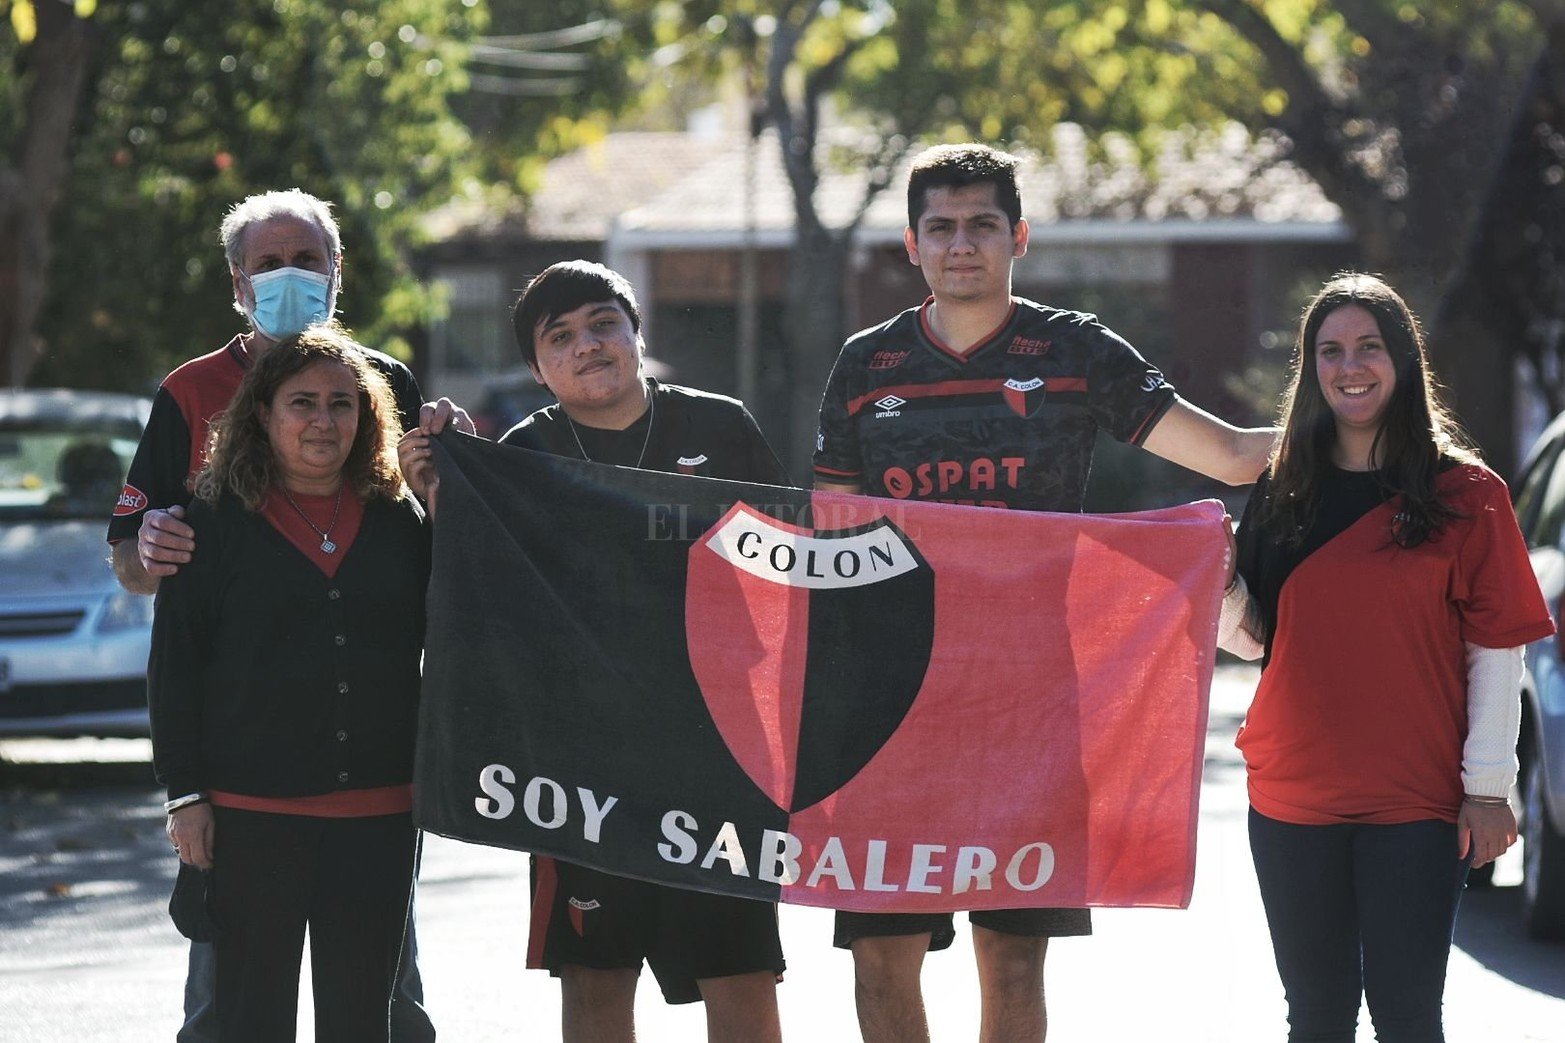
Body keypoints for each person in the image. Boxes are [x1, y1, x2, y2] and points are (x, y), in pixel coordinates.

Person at [811, 143, 1277, 1042]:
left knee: (1014, 961)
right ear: (912, 244)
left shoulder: (1074, 350)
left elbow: (1223, 456)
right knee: (881, 960)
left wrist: (1368, 414)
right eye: (940, 227)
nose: (961, 244)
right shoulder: (865, 367)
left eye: (981, 223)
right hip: (892, 707)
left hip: (1029, 702)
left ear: (1017, 234)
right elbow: (836, 540)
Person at [400, 260, 788, 1043]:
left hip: (721, 755)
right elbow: (484, 604)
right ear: (540, 369)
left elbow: (790, 573)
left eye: (603, 322)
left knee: (740, 977)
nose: (588, 345)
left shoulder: (722, 426)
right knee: (596, 980)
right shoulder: (520, 452)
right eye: (561, 336)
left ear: (637, 332)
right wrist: (442, 503)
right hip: (580, 765)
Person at [105, 189, 437, 1042]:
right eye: (268, 263)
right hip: (244, 772)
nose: (290, 275)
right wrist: (157, 548)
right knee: (232, 1005)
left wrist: (447, 492)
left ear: (336, 271)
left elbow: (417, 550)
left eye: (308, 259)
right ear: (237, 281)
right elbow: (139, 571)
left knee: (382, 1005)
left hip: (373, 784)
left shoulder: (383, 378)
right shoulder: (188, 392)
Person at [1216, 273, 1553, 1041]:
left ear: (1402, 359)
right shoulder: (1282, 486)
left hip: (1417, 801)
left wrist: (1488, 788)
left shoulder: (1469, 492)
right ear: (1312, 368)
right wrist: (1218, 585)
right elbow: (1258, 639)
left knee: (1406, 1016)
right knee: (1317, 1016)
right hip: (1291, 794)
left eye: (1368, 346)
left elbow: (1495, 651)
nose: (1348, 366)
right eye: (1329, 350)